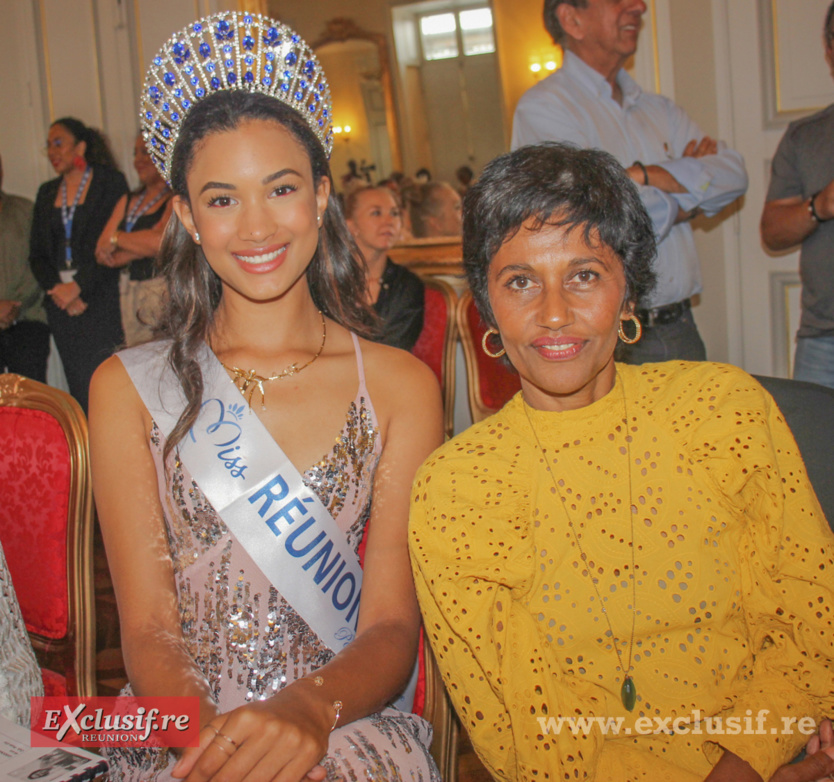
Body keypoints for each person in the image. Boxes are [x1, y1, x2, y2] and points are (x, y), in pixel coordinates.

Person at [88, 12, 442, 782]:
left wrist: (308, 712)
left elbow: (387, 625)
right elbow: (147, 628)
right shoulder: (126, 388)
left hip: (338, 719)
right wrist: (205, 744)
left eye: (280, 189)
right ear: (184, 215)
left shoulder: (401, 387)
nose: (255, 226)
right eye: (221, 199)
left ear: (321, 196)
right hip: (177, 721)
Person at [409, 142, 834, 782]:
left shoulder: (723, 412)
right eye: (520, 281)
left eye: (584, 275)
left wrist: (749, 763)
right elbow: (526, 738)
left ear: (628, 293)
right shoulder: (458, 490)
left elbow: (812, 617)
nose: (554, 314)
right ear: (487, 308)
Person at [512, 0, 748, 364]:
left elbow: (733, 174)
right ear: (572, 18)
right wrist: (689, 190)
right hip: (608, 338)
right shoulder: (545, 109)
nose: (638, 6)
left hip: (682, 326)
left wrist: (644, 176)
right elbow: (590, 220)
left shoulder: (659, 109)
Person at [29, 117, 127, 412]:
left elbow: (113, 244)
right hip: (61, 304)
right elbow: (36, 255)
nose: (52, 151)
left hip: (99, 299)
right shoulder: (47, 192)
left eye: (58, 143)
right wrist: (58, 291)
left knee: (108, 385)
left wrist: (80, 288)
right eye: (48, 145)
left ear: (81, 146)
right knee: (79, 388)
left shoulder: (110, 182)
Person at [760, 2, 834, 390]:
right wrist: (820, 205)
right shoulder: (805, 136)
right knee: (816, 450)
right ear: (829, 49)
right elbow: (772, 233)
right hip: (824, 342)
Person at [95, 132, 173, 346]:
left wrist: (118, 238)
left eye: (145, 152)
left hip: (162, 288)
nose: (139, 159)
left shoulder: (176, 198)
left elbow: (161, 243)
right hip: (128, 291)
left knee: (163, 358)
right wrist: (142, 244)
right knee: (136, 361)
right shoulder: (128, 199)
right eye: (135, 153)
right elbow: (102, 250)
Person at [344, 185, 424, 350]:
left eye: (394, 213)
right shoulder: (327, 282)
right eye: (376, 213)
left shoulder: (407, 286)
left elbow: (396, 349)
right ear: (351, 226)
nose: (389, 221)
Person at [0, 154, 49, 381]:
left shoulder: (25, 210)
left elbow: (40, 262)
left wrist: (13, 304)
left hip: (28, 320)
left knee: (32, 403)